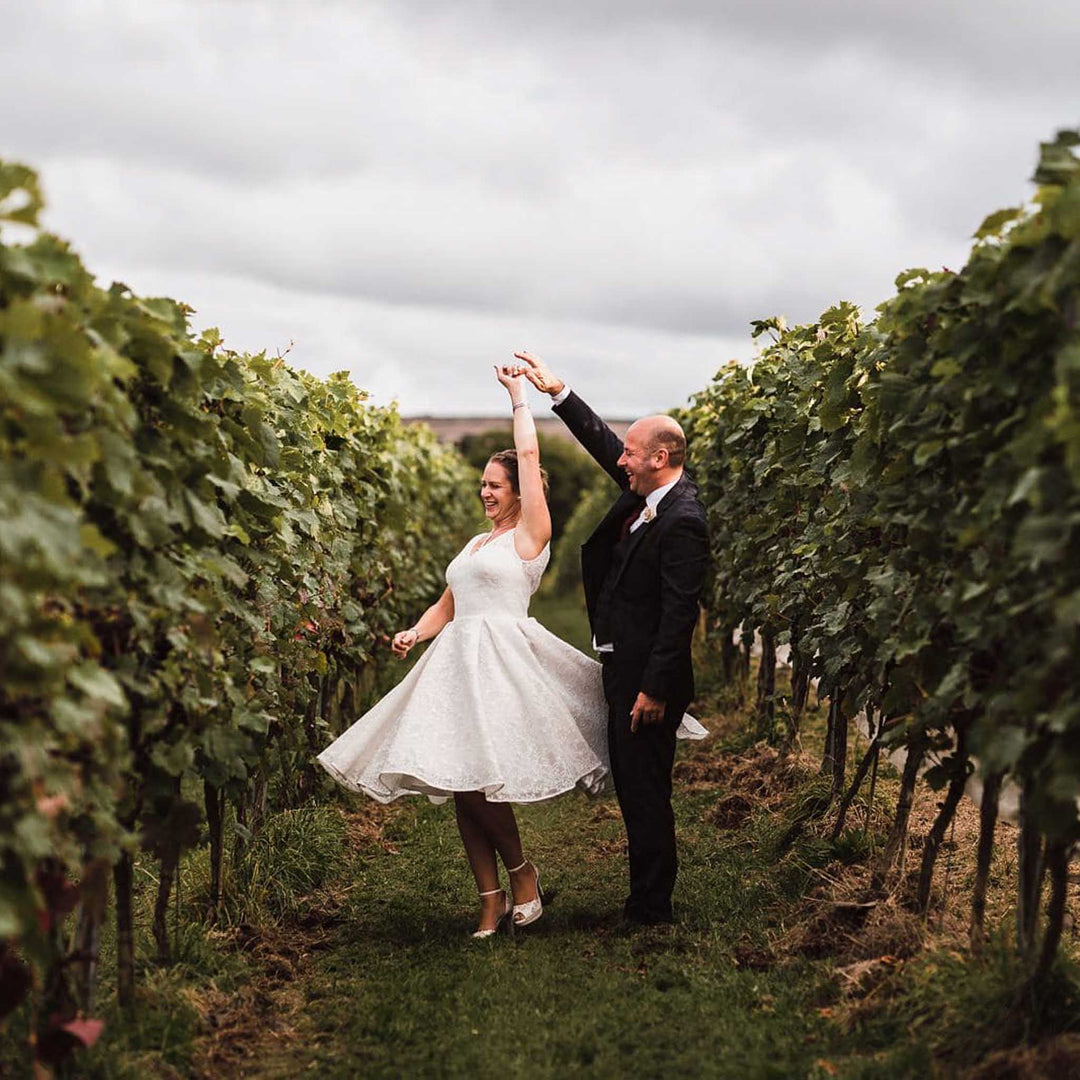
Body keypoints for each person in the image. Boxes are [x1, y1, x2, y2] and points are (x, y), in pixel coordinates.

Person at [318, 365, 613, 938]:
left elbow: (529, 458)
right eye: (482, 483)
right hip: (454, 662)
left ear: (518, 492)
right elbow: (449, 602)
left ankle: (523, 875)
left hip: (500, 664)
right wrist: (414, 632)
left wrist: (520, 398)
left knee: (477, 778)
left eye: (494, 485)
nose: (485, 490)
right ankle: (490, 897)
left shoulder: (531, 533)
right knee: (460, 779)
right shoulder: (477, 542)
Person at [513, 350, 709, 926]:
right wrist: (559, 394)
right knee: (634, 784)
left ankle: (651, 907)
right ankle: (645, 897)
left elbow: (679, 615)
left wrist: (653, 690)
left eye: (631, 452)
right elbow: (605, 445)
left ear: (661, 458)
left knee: (645, 789)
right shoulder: (648, 494)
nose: (620, 459)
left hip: (650, 680)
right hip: (625, 667)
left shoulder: (682, 520)